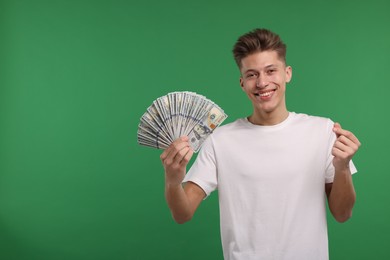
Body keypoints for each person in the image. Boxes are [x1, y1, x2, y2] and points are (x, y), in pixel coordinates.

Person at [160, 28, 361, 260]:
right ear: (242, 82)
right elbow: (182, 214)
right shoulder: (220, 140)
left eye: (271, 71)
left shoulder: (322, 131)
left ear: (287, 73)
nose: (262, 82)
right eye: (252, 75)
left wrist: (343, 167)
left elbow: (343, 213)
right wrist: (173, 182)